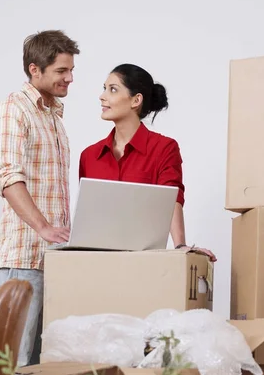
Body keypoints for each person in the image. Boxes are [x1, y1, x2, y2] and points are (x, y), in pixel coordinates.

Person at [0, 29, 80, 375]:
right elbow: (8, 177)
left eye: (71, 71)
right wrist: (43, 228)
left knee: (41, 366)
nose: (69, 79)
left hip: (56, 261)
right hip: (23, 257)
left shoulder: (55, 119)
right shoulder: (13, 111)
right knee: (18, 364)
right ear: (35, 70)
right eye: (62, 71)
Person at [79, 64, 217, 261]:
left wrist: (180, 245)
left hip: (143, 264)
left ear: (136, 100)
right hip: (96, 261)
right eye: (104, 88)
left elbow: (172, 197)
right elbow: (87, 215)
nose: (102, 96)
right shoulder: (89, 156)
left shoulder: (164, 148)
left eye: (113, 89)